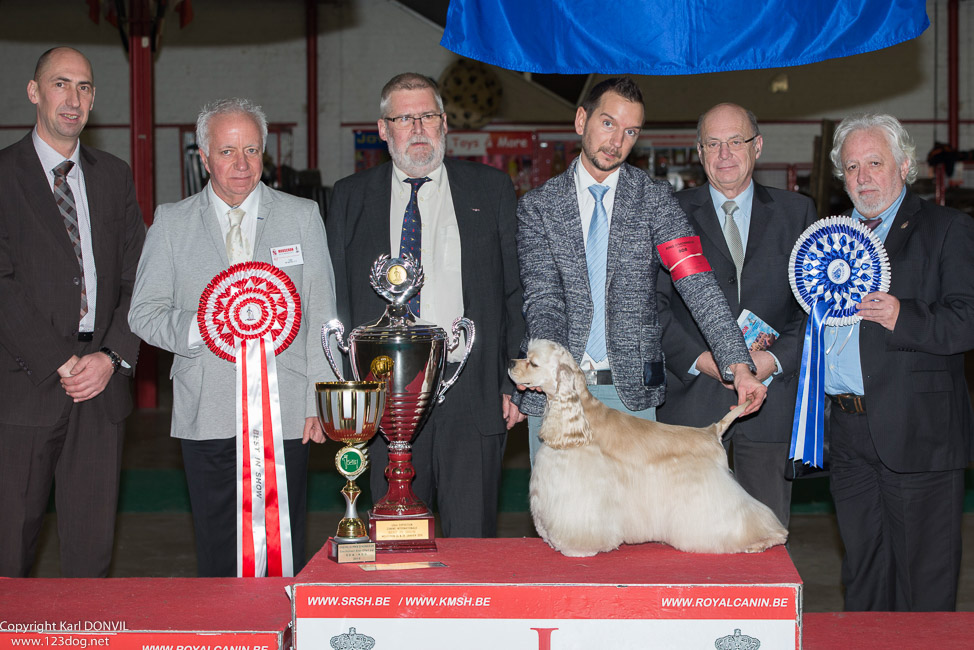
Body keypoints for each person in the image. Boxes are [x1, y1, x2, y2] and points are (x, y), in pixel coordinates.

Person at [128, 98, 337, 576]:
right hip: (208, 410)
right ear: (204, 157)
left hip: (287, 412)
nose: (241, 165)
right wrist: (205, 325)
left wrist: (316, 400)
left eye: (251, 151)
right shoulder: (171, 222)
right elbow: (144, 313)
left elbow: (323, 312)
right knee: (218, 547)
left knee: (285, 540)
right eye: (226, 152)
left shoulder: (303, 216)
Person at [516, 79, 766, 461]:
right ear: (581, 120)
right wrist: (554, 369)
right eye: (608, 123)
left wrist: (739, 365)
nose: (617, 141)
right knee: (560, 521)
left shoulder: (655, 199)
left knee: (633, 522)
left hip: (629, 393)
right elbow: (543, 299)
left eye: (630, 131)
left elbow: (696, 281)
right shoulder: (539, 206)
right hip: (557, 391)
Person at [326, 73, 524, 538]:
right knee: (393, 542)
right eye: (404, 118)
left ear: (445, 123)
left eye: (428, 116)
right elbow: (335, 296)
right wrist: (348, 390)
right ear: (382, 128)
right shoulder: (350, 198)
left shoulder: (491, 190)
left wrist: (513, 380)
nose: (418, 129)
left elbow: (516, 292)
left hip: (471, 393)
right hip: (382, 402)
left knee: (471, 542)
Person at [0, 47, 145, 577]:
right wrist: (60, 360)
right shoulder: (3, 175)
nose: (74, 98)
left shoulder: (113, 176)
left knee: (91, 552)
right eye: (61, 84)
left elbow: (138, 281)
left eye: (84, 87)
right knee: (8, 547)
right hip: (24, 383)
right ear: (35, 92)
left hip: (102, 386)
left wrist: (110, 356)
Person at [823, 113, 974, 611]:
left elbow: (966, 320)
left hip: (918, 431)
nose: (862, 177)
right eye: (851, 167)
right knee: (863, 573)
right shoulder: (825, 241)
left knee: (922, 585)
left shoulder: (948, 228)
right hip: (846, 432)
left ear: (905, 166)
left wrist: (902, 315)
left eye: (874, 163)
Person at [655, 103, 817, 527]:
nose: (724, 154)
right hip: (689, 405)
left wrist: (772, 361)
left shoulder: (797, 213)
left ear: (757, 146)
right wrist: (704, 362)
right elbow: (652, 309)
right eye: (712, 143)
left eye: (735, 141)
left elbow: (814, 310)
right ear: (699, 151)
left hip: (770, 402)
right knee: (686, 539)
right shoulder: (667, 212)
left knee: (762, 537)